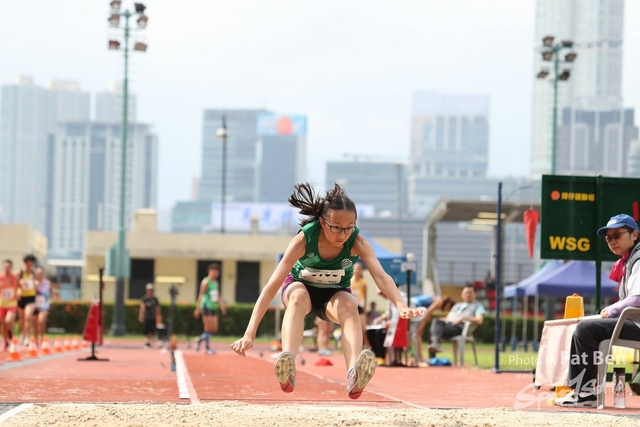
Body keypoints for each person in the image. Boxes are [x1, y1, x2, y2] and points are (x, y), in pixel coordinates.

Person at [230, 183, 426, 399]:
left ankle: (354, 373)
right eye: (336, 226)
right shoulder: (305, 239)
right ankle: (288, 365)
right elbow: (271, 287)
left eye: (349, 227)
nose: (343, 233)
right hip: (300, 287)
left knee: (351, 306)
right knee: (297, 298)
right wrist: (249, 333)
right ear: (323, 222)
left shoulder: (357, 241)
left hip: (334, 293)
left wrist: (401, 304)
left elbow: (380, 276)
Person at [555, 214, 640, 408]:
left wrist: (613, 309)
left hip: (637, 324)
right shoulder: (631, 259)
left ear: (634, 234)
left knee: (586, 329)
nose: (612, 241)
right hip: (634, 321)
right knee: (585, 326)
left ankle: (584, 393)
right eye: (608, 238)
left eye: (617, 235)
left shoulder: (639, 258)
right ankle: (585, 392)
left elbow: (638, 298)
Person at [428, 284, 485, 358]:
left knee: (434, 329)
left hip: (460, 329)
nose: (467, 295)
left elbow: (479, 321)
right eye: (466, 293)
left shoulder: (478, 306)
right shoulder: (457, 305)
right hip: (448, 326)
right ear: (462, 294)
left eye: (470, 293)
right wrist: (437, 320)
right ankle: (433, 357)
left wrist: (463, 317)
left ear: (475, 294)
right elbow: (448, 318)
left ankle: (435, 346)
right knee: (434, 325)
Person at [410, 294, 454, 363]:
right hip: (414, 306)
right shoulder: (439, 301)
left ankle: (416, 356)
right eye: (448, 309)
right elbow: (427, 312)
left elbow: (428, 314)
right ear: (448, 304)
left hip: (412, 304)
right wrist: (422, 325)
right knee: (417, 333)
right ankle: (419, 357)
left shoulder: (434, 298)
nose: (445, 311)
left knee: (413, 333)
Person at [194, 263, 227, 355]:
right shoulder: (206, 282)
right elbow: (201, 295)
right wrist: (197, 308)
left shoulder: (216, 283)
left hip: (213, 306)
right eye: (213, 271)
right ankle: (207, 347)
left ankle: (199, 339)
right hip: (206, 306)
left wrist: (222, 307)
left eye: (217, 272)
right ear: (209, 271)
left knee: (214, 329)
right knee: (208, 328)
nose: (215, 273)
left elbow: (217, 296)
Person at [16, 254, 37, 345]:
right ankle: (23, 333)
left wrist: (35, 284)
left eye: (31, 263)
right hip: (21, 298)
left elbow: (38, 283)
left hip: (30, 298)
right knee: (22, 319)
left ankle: (27, 337)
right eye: (28, 263)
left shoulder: (34, 273)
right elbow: (13, 283)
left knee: (28, 317)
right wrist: (20, 283)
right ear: (24, 263)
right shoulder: (19, 273)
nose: (29, 265)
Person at [350, 262, 370, 348]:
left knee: (363, 328)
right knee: (352, 327)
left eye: (359, 269)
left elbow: (365, 296)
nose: (357, 270)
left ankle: (368, 346)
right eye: (356, 268)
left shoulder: (363, 283)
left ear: (362, 271)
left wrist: (365, 309)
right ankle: (354, 346)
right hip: (351, 306)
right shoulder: (350, 281)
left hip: (360, 306)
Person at [0, 259, 19, 350]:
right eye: (5, 266)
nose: (7, 268)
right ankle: (6, 342)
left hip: (12, 304)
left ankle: (10, 331)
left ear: (11, 267)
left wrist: (19, 293)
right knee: (3, 325)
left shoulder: (15, 278)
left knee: (8, 321)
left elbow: (20, 287)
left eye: (9, 266)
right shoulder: (0, 277)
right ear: (3, 267)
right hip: (2, 304)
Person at [139, 283, 162, 349]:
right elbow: (142, 307)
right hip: (147, 317)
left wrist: (159, 316)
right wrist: (141, 316)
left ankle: (148, 342)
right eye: (149, 290)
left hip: (153, 317)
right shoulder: (145, 298)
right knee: (147, 330)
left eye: (151, 290)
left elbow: (157, 308)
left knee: (152, 330)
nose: (150, 291)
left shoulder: (155, 299)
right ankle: (148, 341)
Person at [33, 266, 51, 347]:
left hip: (44, 305)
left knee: (41, 321)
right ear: (35, 274)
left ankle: (42, 339)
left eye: (41, 273)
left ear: (44, 274)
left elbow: (51, 291)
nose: (40, 274)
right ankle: (35, 340)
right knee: (35, 324)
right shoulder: (33, 282)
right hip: (35, 305)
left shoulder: (47, 282)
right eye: (38, 273)